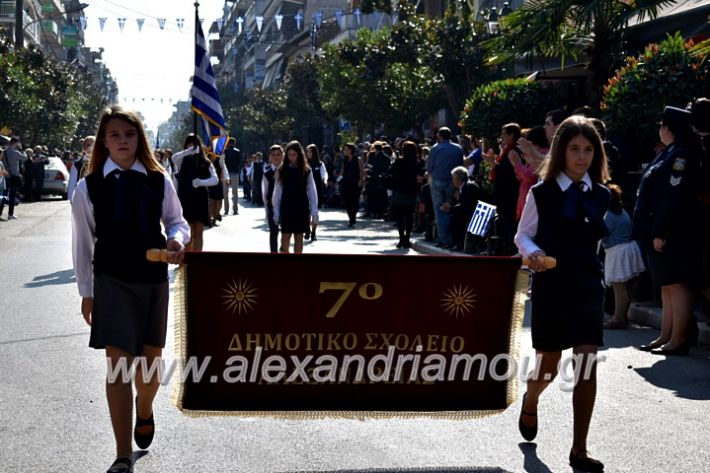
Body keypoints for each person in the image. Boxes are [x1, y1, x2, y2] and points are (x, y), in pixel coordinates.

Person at [71, 105, 189, 473]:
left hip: (153, 279)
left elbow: (177, 220)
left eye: (130, 134)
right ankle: (122, 454)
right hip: (111, 282)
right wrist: (87, 292)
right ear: (104, 143)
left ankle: (147, 407)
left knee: (150, 367)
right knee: (118, 367)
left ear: (140, 138)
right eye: (115, 135)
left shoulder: (158, 179)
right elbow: (83, 244)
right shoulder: (87, 188)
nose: (123, 141)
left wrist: (175, 240)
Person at [515, 115, 611, 473]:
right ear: (562, 151)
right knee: (548, 369)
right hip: (552, 288)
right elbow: (522, 235)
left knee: (587, 366)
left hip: (588, 286)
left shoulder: (601, 194)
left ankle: (579, 450)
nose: (582, 156)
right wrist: (533, 253)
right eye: (574, 149)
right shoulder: (541, 192)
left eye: (588, 149)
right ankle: (531, 398)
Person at [633, 106, 701, 355]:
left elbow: (673, 197)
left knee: (677, 284)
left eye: (662, 124)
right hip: (656, 228)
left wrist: (661, 231)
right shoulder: (668, 153)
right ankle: (665, 335)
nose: (659, 129)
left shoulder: (681, 155)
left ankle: (679, 339)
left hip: (674, 231)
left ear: (670, 128)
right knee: (666, 285)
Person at [602, 184, 646, 329]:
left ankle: (618, 318)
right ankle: (622, 316)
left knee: (619, 287)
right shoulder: (621, 212)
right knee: (626, 287)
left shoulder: (608, 214)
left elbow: (599, 232)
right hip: (628, 249)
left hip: (618, 251)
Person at [172, 135, 218, 251]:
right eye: (189, 144)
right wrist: (188, 152)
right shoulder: (182, 159)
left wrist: (201, 182)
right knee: (188, 233)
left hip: (200, 199)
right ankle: (187, 262)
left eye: (194, 144)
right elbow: (174, 158)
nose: (191, 146)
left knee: (199, 232)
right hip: (185, 198)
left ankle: (197, 261)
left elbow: (215, 179)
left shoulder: (205, 161)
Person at [272, 141, 319, 254]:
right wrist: (276, 211)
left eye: (294, 155)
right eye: (289, 155)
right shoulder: (282, 170)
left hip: (301, 207)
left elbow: (312, 191)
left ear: (299, 154)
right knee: (285, 236)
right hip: (287, 206)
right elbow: (277, 192)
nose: (291, 157)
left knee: (299, 237)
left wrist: (314, 211)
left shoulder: (306, 170)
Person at [485, 123, 522, 255]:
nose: (502, 137)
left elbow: (506, 172)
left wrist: (492, 163)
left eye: (504, 134)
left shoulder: (514, 150)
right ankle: (505, 247)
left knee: (510, 223)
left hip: (509, 193)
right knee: (505, 222)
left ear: (511, 135)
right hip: (504, 193)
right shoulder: (507, 149)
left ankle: (511, 249)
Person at [426, 127, 464, 247]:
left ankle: (443, 238)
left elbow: (429, 167)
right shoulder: (458, 148)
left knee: (438, 209)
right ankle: (451, 237)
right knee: (450, 208)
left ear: (439, 136)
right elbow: (460, 165)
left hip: (438, 180)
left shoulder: (435, 148)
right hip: (453, 181)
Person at [387, 140, 419, 249]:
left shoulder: (399, 162)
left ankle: (401, 239)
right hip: (411, 192)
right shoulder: (416, 163)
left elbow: (389, 172)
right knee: (409, 215)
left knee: (400, 216)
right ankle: (407, 238)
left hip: (399, 191)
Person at [441, 166, 482, 251]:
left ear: (460, 179)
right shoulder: (465, 186)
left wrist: (450, 209)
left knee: (456, 219)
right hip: (473, 211)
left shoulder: (467, 187)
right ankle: (454, 242)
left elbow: (465, 207)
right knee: (454, 217)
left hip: (476, 214)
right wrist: (451, 208)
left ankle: (458, 244)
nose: (452, 181)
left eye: (454, 178)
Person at [263, 145, 284, 252]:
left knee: (286, 233)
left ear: (282, 156)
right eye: (273, 155)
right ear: (270, 157)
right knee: (274, 232)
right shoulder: (267, 173)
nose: (276, 157)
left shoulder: (288, 171)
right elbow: (265, 193)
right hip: (272, 206)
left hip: (286, 205)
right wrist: (267, 211)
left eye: (278, 155)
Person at [0, 137, 27, 220]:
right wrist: (22, 150)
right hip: (14, 176)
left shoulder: (3, 152)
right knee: (12, 195)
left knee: (4, 195)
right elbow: (25, 158)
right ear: (16, 143)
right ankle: (10, 214)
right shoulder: (16, 152)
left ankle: (0, 213)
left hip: (6, 176)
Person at [305, 144, 327, 240]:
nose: (308, 153)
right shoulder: (304, 164)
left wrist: (325, 181)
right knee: (306, 212)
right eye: (307, 152)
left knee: (315, 212)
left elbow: (324, 174)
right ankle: (307, 229)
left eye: (310, 151)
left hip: (317, 191)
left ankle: (313, 232)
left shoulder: (320, 164)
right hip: (305, 191)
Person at [340, 143, 364, 227]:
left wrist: (361, 180)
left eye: (346, 149)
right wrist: (339, 178)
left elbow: (361, 170)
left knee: (355, 201)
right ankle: (351, 219)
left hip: (355, 183)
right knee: (348, 201)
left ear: (350, 150)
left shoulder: (357, 159)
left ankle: (353, 216)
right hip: (346, 183)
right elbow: (342, 172)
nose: (344, 151)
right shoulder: (344, 160)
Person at [69, 136, 95, 203]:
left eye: (93, 145)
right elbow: (72, 184)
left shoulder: (102, 162)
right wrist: (72, 201)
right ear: (84, 148)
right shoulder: (77, 164)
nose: (90, 147)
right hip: (81, 200)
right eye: (88, 145)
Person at [208, 151, 228, 226]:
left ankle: (215, 219)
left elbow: (224, 168)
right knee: (211, 203)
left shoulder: (219, 162)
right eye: (212, 156)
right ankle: (209, 220)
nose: (214, 157)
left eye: (215, 155)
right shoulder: (207, 163)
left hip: (218, 184)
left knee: (219, 203)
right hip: (210, 185)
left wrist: (227, 178)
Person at [222, 138, 242, 215]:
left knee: (225, 193)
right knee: (235, 192)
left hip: (226, 174)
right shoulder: (237, 151)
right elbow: (239, 162)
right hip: (235, 173)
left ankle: (226, 210)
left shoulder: (224, 152)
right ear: (234, 143)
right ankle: (235, 210)